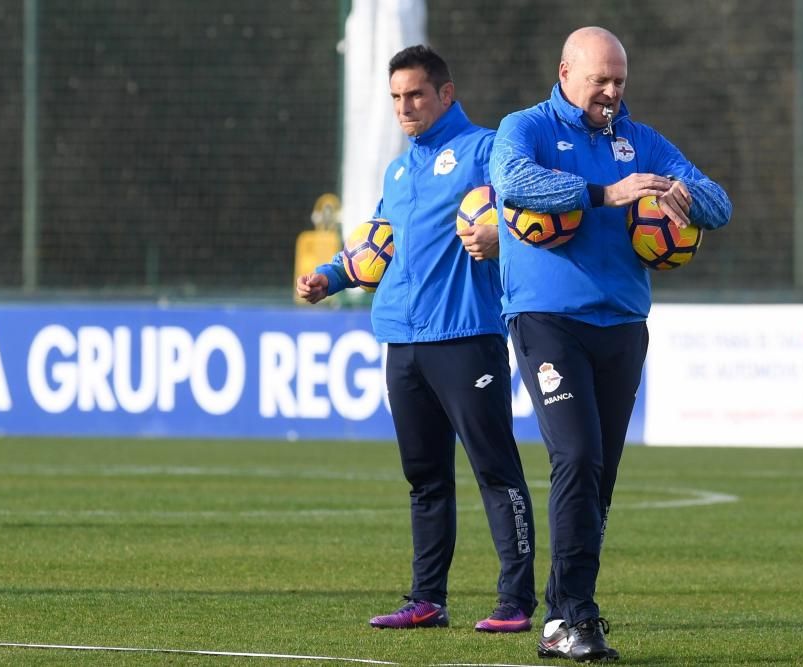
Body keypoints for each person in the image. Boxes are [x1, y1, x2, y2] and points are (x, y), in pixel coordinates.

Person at [489, 27, 731, 662]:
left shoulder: (640, 140)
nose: (612, 92)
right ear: (566, 71)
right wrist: (604, 193)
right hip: (547, 320)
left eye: (620, 80)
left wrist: (687, 197)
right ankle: (576, 616)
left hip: (622, 324)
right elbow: (514, 184)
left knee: (600, 476)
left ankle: (559, 616)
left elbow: (720, 203)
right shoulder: (527, 128)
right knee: (576, 455)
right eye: (601, 80)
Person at [296, 45, 536, 633]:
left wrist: (500, 230)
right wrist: (328, 277)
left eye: (416, 95)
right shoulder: (399, 171)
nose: (405, 107)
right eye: (397, 97)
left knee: (495, 469)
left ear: (445, 94)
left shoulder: (485, 150)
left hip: (467, 336)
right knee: (424, 478)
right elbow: (379, 240)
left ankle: (517, 602)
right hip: (402, 341)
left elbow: (536, 209)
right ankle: (426, 599)